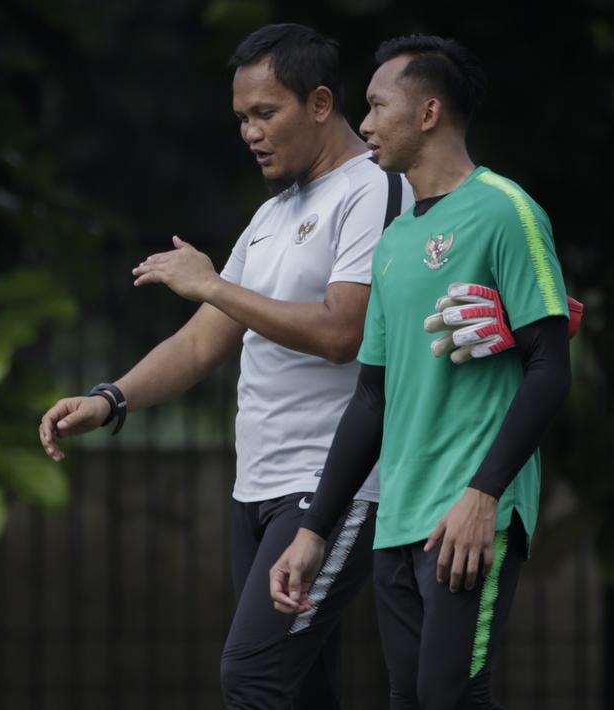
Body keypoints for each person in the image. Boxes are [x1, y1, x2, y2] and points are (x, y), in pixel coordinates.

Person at [37, 23, 410, 709]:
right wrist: (109, 400)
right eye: (242, 118)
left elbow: (342, 332)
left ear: (320, 103)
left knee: (254, 675)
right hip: (256, 492)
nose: (249, 132)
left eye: (265, 113)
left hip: (334, 489)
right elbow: (201, 343)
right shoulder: (271, 216)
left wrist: (211, 284)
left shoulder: (371, 191)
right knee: (301, 691)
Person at [270, 34, 572, 709]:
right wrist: (314, 530)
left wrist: (483, 495)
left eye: (376, 107)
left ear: (428, 113)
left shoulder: (505, 211)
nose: (366, 124)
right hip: (400, 519)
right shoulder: (396, 240)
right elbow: (370, 399)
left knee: (450, 699)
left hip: (469, 514)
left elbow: (550, 367)